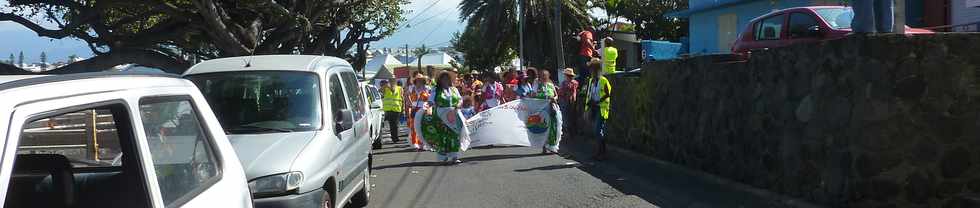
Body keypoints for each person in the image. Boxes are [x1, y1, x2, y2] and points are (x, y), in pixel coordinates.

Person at [419, 72, 470, 164]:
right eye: (443, 78)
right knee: (443, 136)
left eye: (447, 78)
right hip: (441, 115)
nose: (445, 80)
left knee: (455, 135)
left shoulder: (454, 89)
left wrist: (458, 105)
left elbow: (460, 99)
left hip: (454, 114)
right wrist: (428, 108)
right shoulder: (436, 90)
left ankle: (455, 156)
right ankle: (442, 157)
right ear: (440, 80)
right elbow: (431, 101)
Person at [585, 59, 611, 160]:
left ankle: (600, 152)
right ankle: (602, 151)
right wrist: (588, 107)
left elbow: (607, 94)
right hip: (594, 108)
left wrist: (598, 101)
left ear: (596, 69)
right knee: (598, 131)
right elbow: (590, 94)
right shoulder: (591, 81)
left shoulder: (604, 80)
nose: (590, 71)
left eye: (591, 69)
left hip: (602, 108)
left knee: (597, 130)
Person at [529, 69, 560, 154]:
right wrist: (542, 96)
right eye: (542, 75)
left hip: (551, 107)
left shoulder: (550, 85)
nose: (544, 77)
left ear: (548, 76)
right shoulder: (537, 85)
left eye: (545, 75)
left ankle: (552, 146)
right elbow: (533, 95)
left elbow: (556, 95)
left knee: (553, 126)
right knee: (543, 126)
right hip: (541, 109)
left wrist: (554, 98)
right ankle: (544, 146)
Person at [406, 75, 430, 150]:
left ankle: (422, 143)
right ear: (415, 81)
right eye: (418, 80)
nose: (419, 82)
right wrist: (409, 102)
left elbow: (431, 98)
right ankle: (414, 143)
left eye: (421, 80)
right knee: (413, 127)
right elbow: (406, 95)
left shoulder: (427, 88)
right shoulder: (412, 88)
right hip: (414, 108)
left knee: (423, 127)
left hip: (424, 109)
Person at [557, 68, 579, 138]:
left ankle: (568, 131)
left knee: (566, 116)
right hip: (572, 100)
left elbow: (561, 92)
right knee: (571, 116)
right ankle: (571, 131)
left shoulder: (565, 83)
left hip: (567, 100)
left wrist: (560, 92)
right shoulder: (575, 83)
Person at [381, 79, 404, 143]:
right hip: (388, 109)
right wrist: (385, 86)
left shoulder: (399, 88)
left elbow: (402, 98)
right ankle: (394, 138)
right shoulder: (386, 88)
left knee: (395, 124)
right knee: (392, 124)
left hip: (396, 108)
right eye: (390, 81)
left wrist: (403, 108)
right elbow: (381, 91)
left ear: (395, 82)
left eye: (393, 81)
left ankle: (395, 138)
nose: (391, 82)